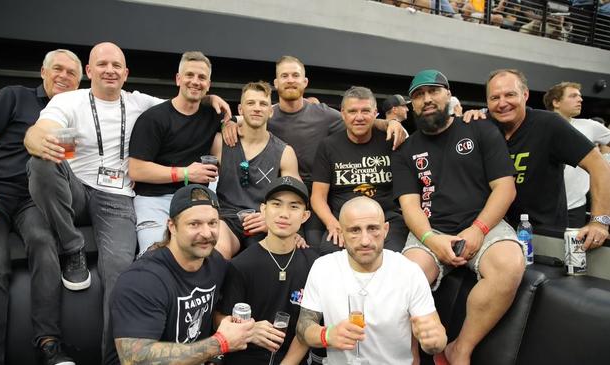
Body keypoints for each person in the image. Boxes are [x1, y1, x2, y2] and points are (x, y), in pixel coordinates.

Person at [23, 42, 167, 357]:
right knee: (39, 161)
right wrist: (37, 141)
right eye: (102, 64)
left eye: (116, 65)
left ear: (126, 73)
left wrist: (212, 101)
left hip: (116, 197)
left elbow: (184, 106)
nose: (109, 70)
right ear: (89, 71)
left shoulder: (140, 102)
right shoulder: (69, 100)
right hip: (74, 189)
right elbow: (40, 130)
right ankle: (72, 248)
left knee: (120, 272)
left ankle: (115, 357)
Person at [391, 69, 524, 365]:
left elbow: (505, 188)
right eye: (418, 95)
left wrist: (478, 229)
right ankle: (411, 358)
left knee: (510, 264)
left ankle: (460, 349)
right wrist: (431, 240)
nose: (427, 100)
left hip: (483, 224)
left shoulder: (480, 128)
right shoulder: (405, 150)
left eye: (433, 92)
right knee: (406, 277)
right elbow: (410, 206)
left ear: (448, 95)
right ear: (411, 105)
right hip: (430, 230)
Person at [0, 49, 82, 365]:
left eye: (72, 73)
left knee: (45, 245)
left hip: (32, 201)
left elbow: (65, 168)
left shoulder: (71, 112)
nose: (64, 76)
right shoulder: (14, 96)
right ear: (43, 72)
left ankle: (49, 344)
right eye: (58, 69)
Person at [222, 56, 406, 245]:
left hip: (319, 194)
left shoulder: (325, 115)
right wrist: (231, 122)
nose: (291, 80)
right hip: (284, 194)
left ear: (305, 82)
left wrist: (390, 122)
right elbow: (249, 116)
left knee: (313, 246)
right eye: (284, 76)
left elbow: (357, 118)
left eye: (295, 75)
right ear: (276, 83)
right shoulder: (267, 112)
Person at [108, 184, 254, 365]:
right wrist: (220, 343)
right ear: (172, 226)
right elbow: (135, 359)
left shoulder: (214, 263)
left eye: (212, 223)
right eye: (194, 224)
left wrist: (248, 329)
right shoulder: (142, 280)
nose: (206, 233)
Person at [295, 196, 446, 364]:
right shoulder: (323, 267)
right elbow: (303, 328)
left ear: (386, 230)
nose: (365, 240)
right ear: (341, 233)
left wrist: (435, 341)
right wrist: (327, 335)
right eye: (355, 230)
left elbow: (434, 337)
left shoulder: (409, 271)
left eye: (373, 228)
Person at [484, 69, 610, 249]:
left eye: (510, 94)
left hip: (546, 237)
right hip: (496, 235)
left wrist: (599, 222)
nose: (502, 103)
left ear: (525, 94)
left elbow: (600, 167)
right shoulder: (484, 127)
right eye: (494, 98)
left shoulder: (549, 124)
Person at [127, 51, 224, 257]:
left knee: (206, 255)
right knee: (155, 257)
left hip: (195, 200)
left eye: (202, 77)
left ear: (208, 84)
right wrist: (186, 174)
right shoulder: (154, 118)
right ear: (178, 79)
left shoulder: (213, 115)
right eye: (189, 75)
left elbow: (251, 120)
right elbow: (136, 170)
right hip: (155, 200)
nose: (195, 82)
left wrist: (231, 123)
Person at [216, 176, 316, 365]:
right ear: (263, 209)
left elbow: (311, 324)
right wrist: (249, 330)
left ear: (305, 216)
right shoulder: (241, 265)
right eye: (276, 204)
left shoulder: (314, 263)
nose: (284, 214)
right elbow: (219, 319)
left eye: (294, 206)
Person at [311, 86, 408, 255]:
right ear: (342, 113)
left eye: (365, 111)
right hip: (345, 222)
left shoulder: (391, 141)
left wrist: (393, 123)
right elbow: (318, 197)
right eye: (352, 111)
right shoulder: (328, 146)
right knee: (330, 257)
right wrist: (331, 223)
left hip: (386, 220)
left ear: (375, 112)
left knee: (392, 259)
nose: (359, 117)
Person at [211, 81, 299, 257]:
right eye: (250, 103)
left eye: (263, 104)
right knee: (218, 251)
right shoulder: (221, 142)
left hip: (263, 220)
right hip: (227, 217)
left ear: (271, 111)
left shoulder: (284, 152)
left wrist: (272, 220)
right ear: (241, 110)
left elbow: (296, 196)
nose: (257, 108)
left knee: (262, 260)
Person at [543, 81, 610, 228]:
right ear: (556, 102)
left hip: (575, 208)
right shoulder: (540, 126)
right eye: (573, 96)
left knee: (574, 250)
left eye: (579, 96)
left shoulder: (591, 126)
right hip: (544, 207)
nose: (580, 99)